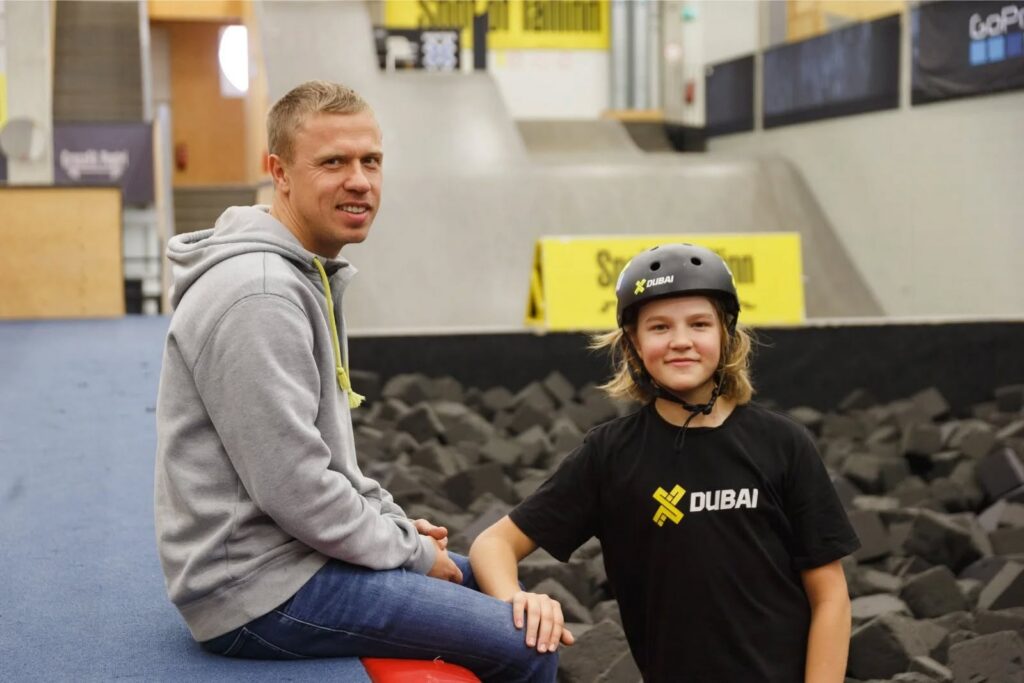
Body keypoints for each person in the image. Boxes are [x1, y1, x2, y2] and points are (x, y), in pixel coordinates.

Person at [154, 80, 556, 682]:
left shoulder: (303, 273)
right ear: (279, 172)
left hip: (291, 556)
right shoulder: (260, 295)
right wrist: (412, 553)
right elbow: (295, 488)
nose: (361, 180)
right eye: (333, 162)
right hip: (257, 590)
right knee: (524, 646)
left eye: (371, 161)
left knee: (483, 578)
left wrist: (394, 528)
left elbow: (327, 461)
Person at [470, 243, 860, 682]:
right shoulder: (610, 456)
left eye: (699, 324)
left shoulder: (783, 445)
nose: (680, 341)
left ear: (726, 334)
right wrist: (516, 598)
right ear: (633, 343)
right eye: (659, 327)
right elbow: (493, 545)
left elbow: (830, 597)